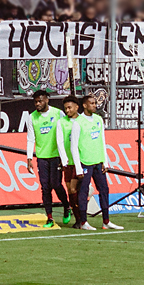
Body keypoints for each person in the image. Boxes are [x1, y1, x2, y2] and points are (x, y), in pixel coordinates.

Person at [67, 94, 123, 231]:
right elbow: (74, 147)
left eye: (95, 103)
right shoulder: (78, 123)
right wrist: (78, 167)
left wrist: (105, 161)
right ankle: (83, 222)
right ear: (85, 105)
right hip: (85, 162)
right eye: (91, 103)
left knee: (104, 190)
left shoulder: (98, 119)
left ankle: (106, 221)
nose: (94, 105)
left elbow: (102, 141)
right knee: (83, 192)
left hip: (98, 162)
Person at [24, 90, 72, 228]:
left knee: (56, 184)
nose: (38, 104)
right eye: (36, 102)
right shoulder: (32, 117)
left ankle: (66, 206)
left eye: (40, 101)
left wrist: (65, 155)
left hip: (56, 156)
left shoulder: (58, 113)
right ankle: (49, 218)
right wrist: (29, 157)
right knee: (45, 188)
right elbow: (30, 138)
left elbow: (67, 129)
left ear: (47, 100)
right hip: (42, 157)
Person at [60, 95, 82, 224]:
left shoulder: (82, 121)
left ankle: (80, 219)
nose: (67, 110)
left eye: (69, 108)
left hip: (81, 161)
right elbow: (60, 142)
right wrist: (63, 159)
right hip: (68, 162)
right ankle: (78, 218)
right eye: (66, 108)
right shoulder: (62, 122)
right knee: (70, 190)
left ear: (76, 107)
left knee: (74, 189)